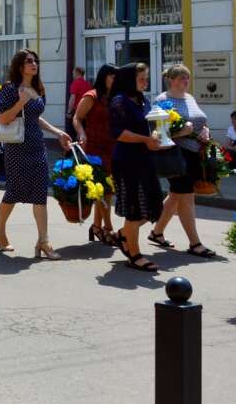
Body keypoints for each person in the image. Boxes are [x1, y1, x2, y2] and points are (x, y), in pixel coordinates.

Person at [0, 49, 73, 258]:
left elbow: (35, 117)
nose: (34, 64)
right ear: (20, 66)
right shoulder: (10, 89)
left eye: (35, 60)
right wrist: (21, 102)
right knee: (14, 191)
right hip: (17, 147)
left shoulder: (39, 89)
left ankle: (43, 241)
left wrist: (57, 132)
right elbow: (2, 119)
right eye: (29, 61)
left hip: (37, 146)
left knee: (40, 193)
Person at [149, 64, 217, 258]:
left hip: (194, 153)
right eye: (181, 78)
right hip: (174, 155)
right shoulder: (162, 100)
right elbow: (157, 133)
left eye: (187, 78)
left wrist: (206, 130)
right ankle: (195, 243)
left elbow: (201, 121)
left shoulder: (190, 98)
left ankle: (156, 232)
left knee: (176, 196)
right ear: (171, 80)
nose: (185, 82)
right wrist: (180, 132)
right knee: (186, 197)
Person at [110, 63, 165, 272]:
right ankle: (134, 254)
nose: (145, 82)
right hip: (126, 161)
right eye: (141, 78)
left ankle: (123, 235)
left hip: (145, 159)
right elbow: (119, 133)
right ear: (128, 80)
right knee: (134, 210)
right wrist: (145, 139)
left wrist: (157, 137)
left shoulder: (142, 99)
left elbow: (149, 126)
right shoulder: (119, 101)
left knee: (153, 205)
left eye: (146, 78)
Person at [72, 64, 119, 246]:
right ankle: (107, 228)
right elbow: (77, 117)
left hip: (112, 147)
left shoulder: (115, 97)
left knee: (106, 190)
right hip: (94, 148)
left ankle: (96, 226)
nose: (115, 81)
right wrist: (81, 133)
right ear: (104, 77)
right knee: (103, 190)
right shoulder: (92, 96)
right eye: (112, 77)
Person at [67, 66, 91, 131]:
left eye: (73, 72)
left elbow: (72, 99)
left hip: (77, 112)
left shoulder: (75, 83)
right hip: (86, 112)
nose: (72, 74)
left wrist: (69, 112)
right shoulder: (87, 84)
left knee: (74, 132)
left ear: (77, 73)